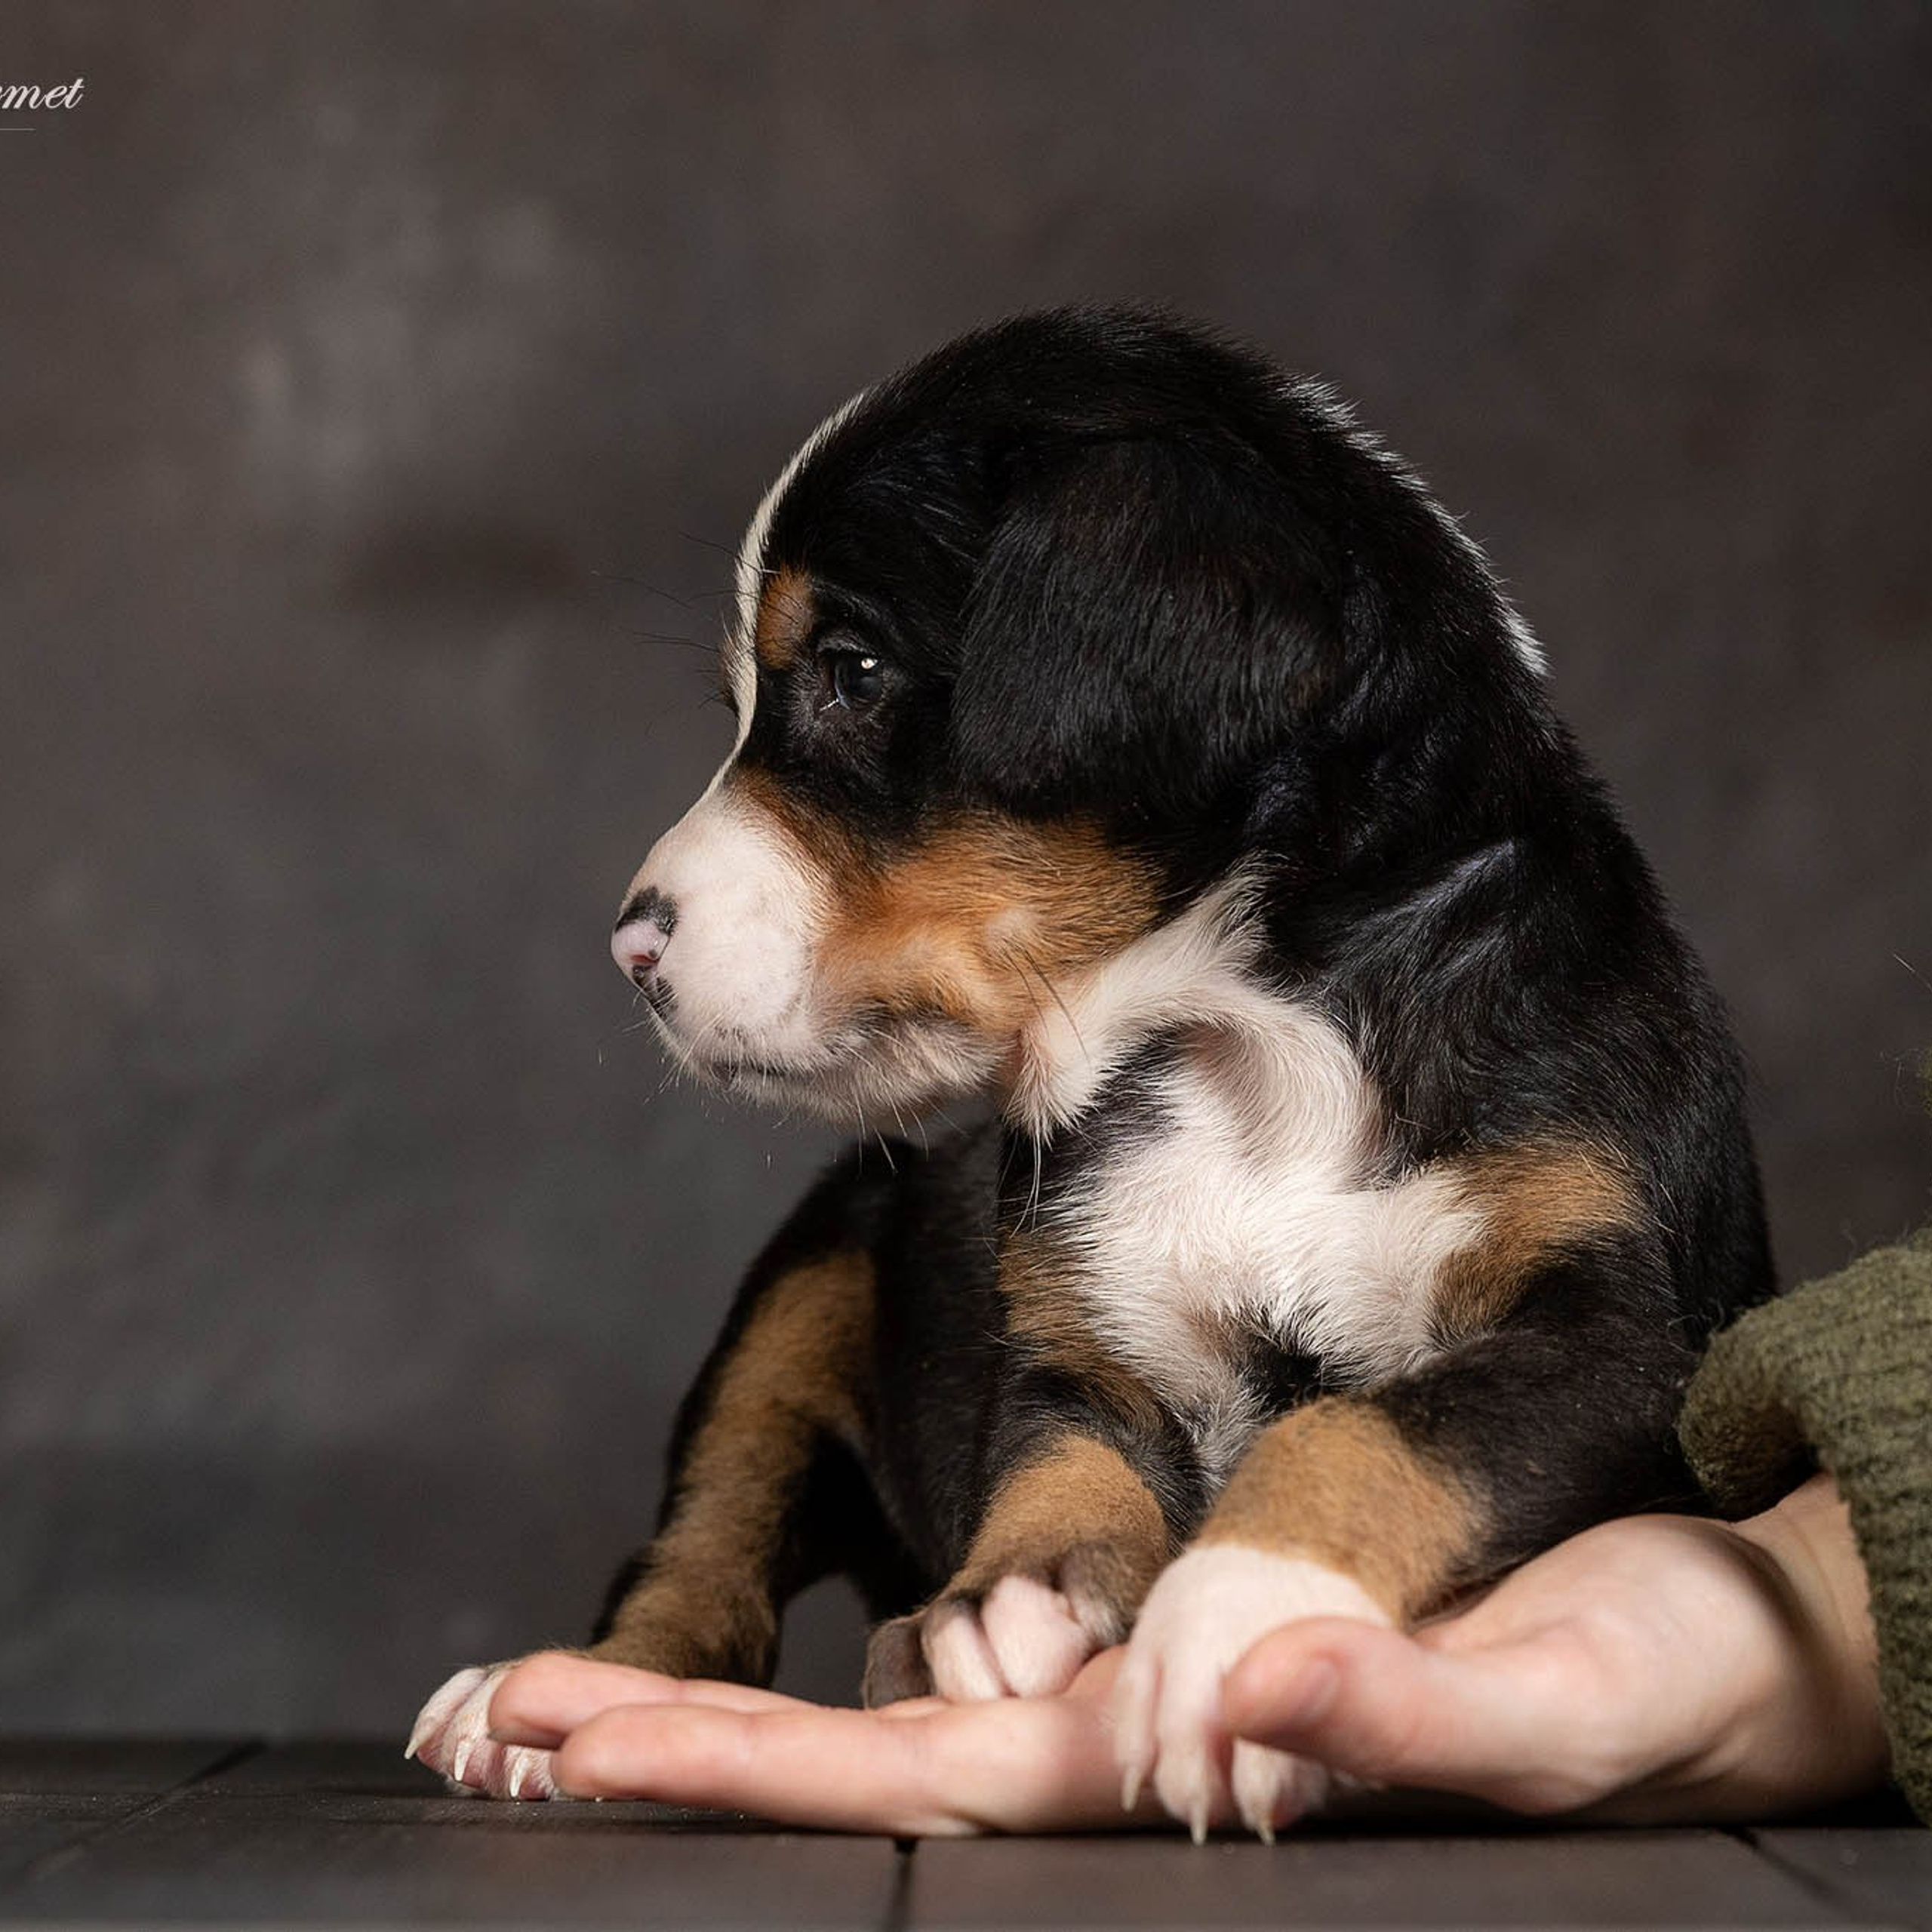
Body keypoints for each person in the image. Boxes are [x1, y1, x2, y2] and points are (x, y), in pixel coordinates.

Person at [482, 1226, 1932, 1835]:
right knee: (856, 1245)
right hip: (979, 1473)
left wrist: (1800, 1587)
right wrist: (1808, 1572)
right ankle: (685, 1607)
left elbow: (1618, 1367)